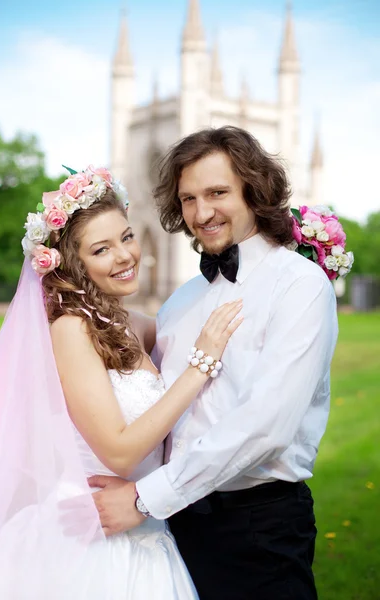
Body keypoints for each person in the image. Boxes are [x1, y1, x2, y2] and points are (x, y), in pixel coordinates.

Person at [87, 127, 339, 600]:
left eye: (217, 193)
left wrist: (143, 498)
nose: (201, 213)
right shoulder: (181, 301)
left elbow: (267, 426)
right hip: (169, 525)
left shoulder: (299, 286)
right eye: (188, 199)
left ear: (254, 187)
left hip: (256, 529)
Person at [0, 165, 244, 599]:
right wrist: (201, 365)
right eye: (101, 250)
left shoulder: (129, 324)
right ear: (72, 264)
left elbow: (206, 315)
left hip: (146, 528)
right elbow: (119, 452)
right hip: (91, 540)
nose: (125, 256)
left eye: (126, 237)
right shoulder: (71, 328)